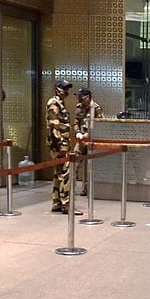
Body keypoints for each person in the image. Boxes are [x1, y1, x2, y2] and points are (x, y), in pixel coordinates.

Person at [46, 79, 80, 215]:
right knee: (65, 174)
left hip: (62, 143)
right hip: (60, 145)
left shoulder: (60, 103)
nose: (66, 91)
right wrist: (60, 145)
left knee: (59, 174)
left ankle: (57, 203)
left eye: (67, 88)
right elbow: (53, 125)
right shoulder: (54, 103)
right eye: (64, 88)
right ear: (57, 88)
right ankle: (67, 204)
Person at [73, 87, 104, 196]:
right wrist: (77, 132)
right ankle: (70, 188)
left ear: (87, 97)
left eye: (81, 96)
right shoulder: (79, 107)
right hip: (81, 140)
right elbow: (76, 122)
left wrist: (89, 134)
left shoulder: (96, 108)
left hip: (91, 140)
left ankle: (87, 189)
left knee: (90, 166)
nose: (79, 98)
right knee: (74, 162)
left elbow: (100, 125)